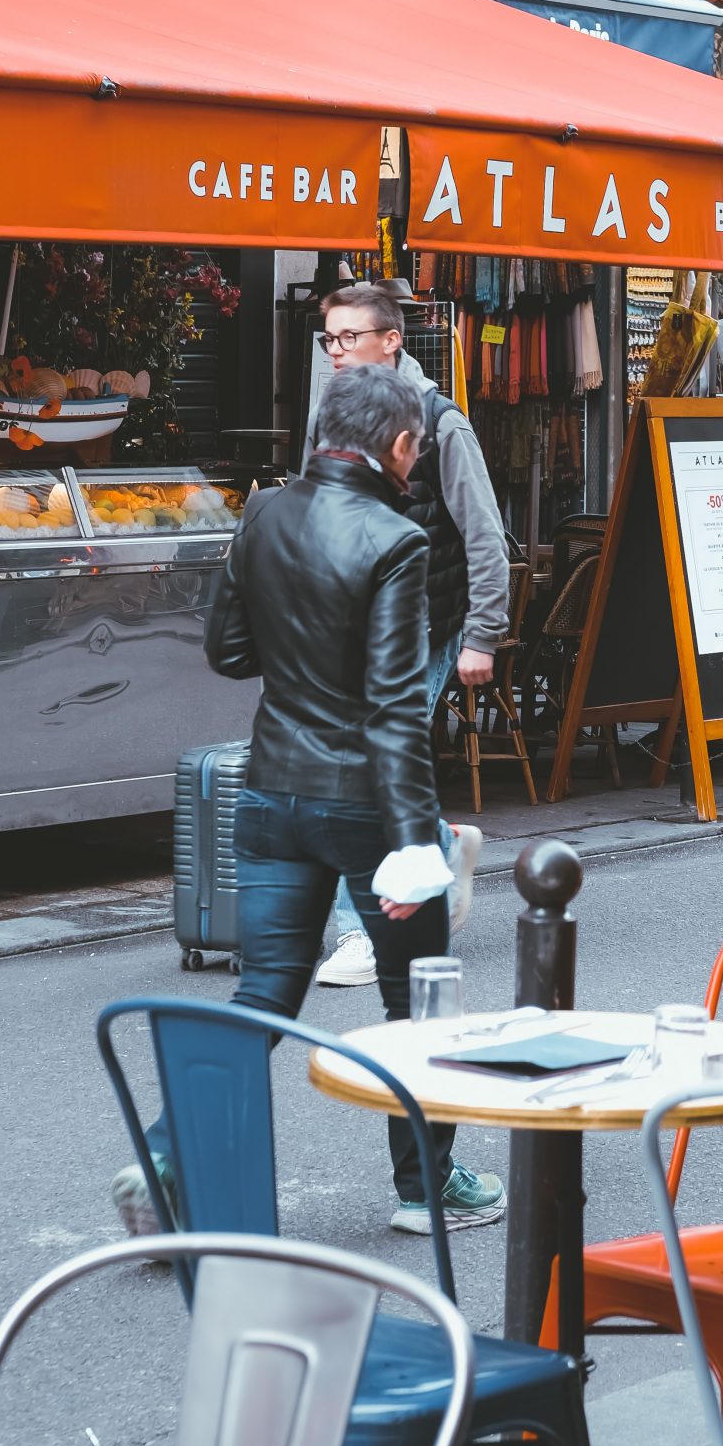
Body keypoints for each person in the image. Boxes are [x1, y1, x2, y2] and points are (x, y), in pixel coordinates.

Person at [114, 362, 505, 1237]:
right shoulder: (395, 539)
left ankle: (169, 1156)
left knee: (263, 994)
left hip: (271, 794)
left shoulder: (262, 514)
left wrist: (297, 648)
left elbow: (227, 650)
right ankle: (425, 1189)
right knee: (416, 1002)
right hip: (366, 807)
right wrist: (413, 844)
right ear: (402, 445)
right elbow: (397, 706)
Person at [311, 279, 510, 989]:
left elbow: (485, 534)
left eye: (349, 338)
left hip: (425, 627)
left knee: (365, 773)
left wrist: (482, 634)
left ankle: (360, 930)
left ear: (391, 341)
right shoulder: (330, 417)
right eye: (329, 339)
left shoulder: (438, 421)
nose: (336, 352)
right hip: (348, 628)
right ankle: (439, 845)